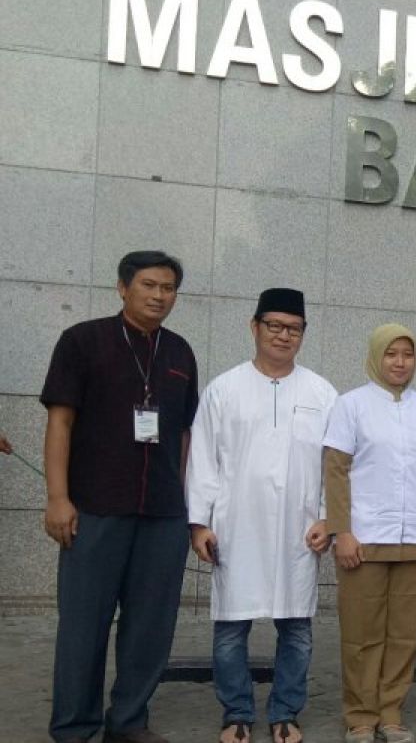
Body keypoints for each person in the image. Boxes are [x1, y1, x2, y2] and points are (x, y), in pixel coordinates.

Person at [40, 251, 198, 743]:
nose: (158, 296)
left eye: (168, 288)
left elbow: (185, 434)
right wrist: (57, 498)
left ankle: (128, 721)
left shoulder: (179, 352)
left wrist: (185, 497)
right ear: (122, 287)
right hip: (94, 507)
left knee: (150, 627)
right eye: (149, 285)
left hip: (163, 512)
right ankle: (74, 726)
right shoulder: (82, 342)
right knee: (84, 625)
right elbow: (60, 422)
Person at [187, 288, 338, 743]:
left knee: (297, 632)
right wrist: (200, 523)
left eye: (293, 328)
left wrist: (329, 519)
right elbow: (203, 459)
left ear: (303, 334)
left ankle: (285, 712)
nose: (283, 335)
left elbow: (336, 465)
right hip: (238, 528)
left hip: (299, 531)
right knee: (232, 630)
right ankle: (236, 713)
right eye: (274, 325)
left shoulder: (322, 392)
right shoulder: (224, 389)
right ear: (254, 327)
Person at [322, 324, 416, 743]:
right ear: (376, 356)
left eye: (407, 354)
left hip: (415, 542)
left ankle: (391, 713)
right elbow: (335, 471)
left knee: (404, 635)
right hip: (365, 539)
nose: (400, 362)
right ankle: (360, 715)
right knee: (360, 634)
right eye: (391, 354)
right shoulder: (350, 405)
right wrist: (342, 532)